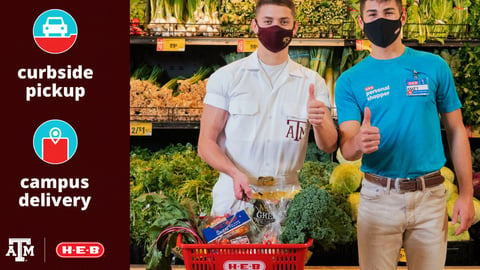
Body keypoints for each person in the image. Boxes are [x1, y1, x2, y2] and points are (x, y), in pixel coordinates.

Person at [334, 0, 475, 269]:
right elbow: (347, 148)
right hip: (378, 199)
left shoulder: (434, 66)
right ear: (361, 22)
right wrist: (358, 142)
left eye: (388, 13)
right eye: (372, 14)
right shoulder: (350, 80)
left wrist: (466, 194)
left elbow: (457, 131)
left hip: (431, 197)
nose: (381, 20)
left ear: (403, 16)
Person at [197, 0, 337, 216]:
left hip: (286, 197)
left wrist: (320, 122)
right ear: (255, 25)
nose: (276, 28)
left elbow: (328, 146)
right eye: (268, 21)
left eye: (283, 22)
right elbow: (206, 143)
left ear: (295, 28)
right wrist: (234, 173)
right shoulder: (227, 77)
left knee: (283, 251)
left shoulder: (312, 82)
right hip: (236, 195)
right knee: (234, 250)